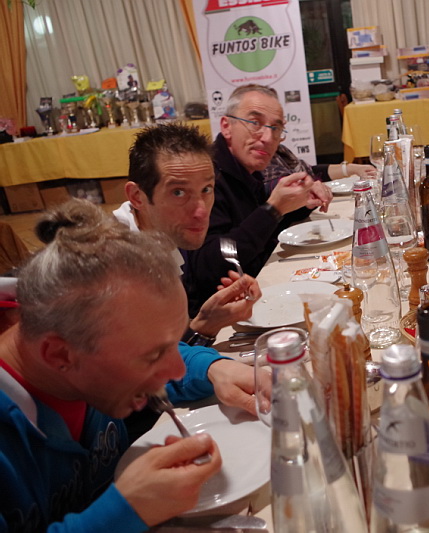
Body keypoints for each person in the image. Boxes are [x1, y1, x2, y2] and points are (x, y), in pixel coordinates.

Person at [0, 200, 222, 531]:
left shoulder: (69, 333)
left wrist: (211, 369)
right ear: (60, 355)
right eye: (153, 355)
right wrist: (124, 511)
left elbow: (143, 345)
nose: (176, 370)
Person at [113, 123, 264, 428]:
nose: (201, 211)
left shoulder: (160, 234)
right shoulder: (115, 266)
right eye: (178, 192)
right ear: (137, 196)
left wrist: (206, 324)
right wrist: (211, 367)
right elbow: (139, 376)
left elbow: (163, 349)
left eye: (207, 189)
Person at [183, 85, 373, 316]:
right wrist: (273, 209)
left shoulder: (247, 168)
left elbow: (260, 229)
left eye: (276, 128)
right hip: (221, 313)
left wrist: (298, 202)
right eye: (255, 123)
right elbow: (209, 265)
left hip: (260, 288)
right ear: (226, 126)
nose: (267, 137)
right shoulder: (208, 178)